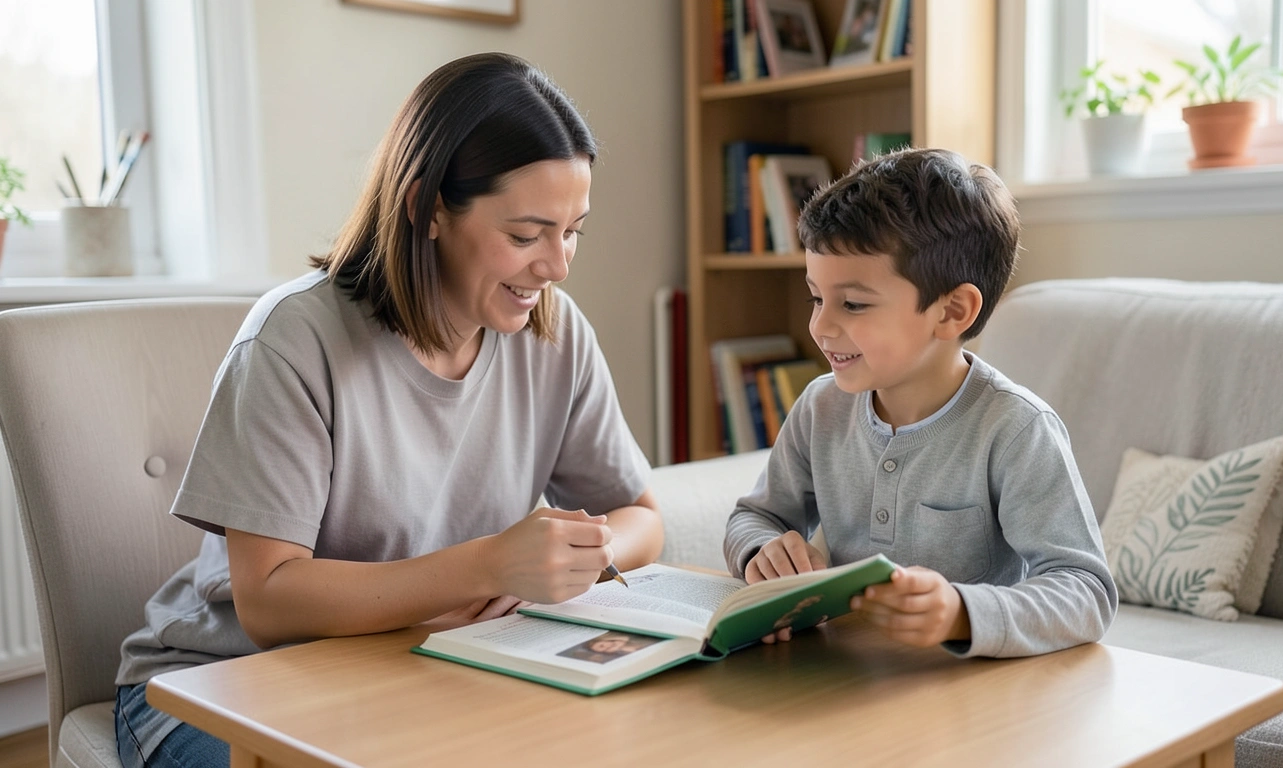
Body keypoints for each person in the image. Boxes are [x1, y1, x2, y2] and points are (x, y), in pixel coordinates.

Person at [113, 52, 663, 768]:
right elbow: (270, 601)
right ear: (426, 208)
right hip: (216, 687)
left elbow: (641, 516)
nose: (556, 266)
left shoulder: (555, 335)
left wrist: (575, 560)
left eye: (573, 231)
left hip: (412, 668)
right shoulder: (294, 341)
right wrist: (491, 566)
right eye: (526, 235)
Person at [722, 147, 1116, 658]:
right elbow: (754, 518)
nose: (820, 326)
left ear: (952, 311)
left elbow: (1085, 591)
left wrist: (959, 612)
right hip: (843, 679)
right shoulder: (821, 407)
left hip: (971, 698)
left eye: (854, 303)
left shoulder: (1015, 429)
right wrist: (761, 552)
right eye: (816, 297)